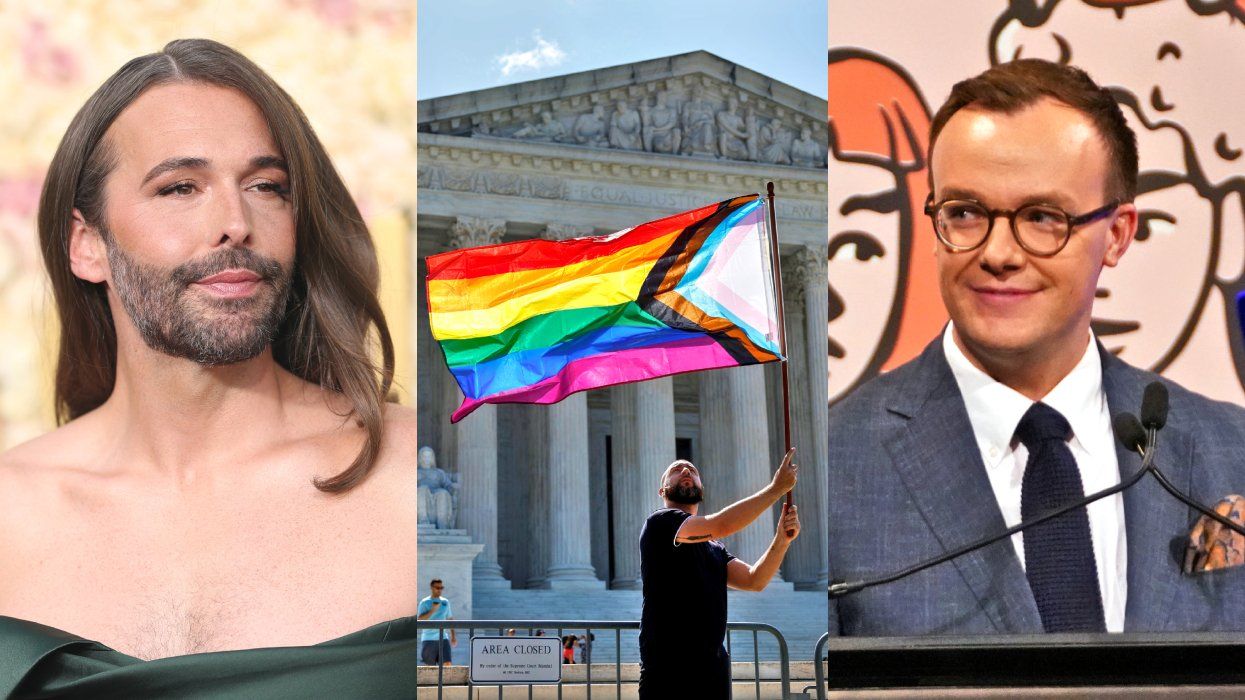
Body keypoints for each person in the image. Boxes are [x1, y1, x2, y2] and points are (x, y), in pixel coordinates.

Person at [0, 39, 419, 661]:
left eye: (267, 185)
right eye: (179, 188)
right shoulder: (12, 510)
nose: (235, 220)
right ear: (86, 245)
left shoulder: (411, 476)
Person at [827, 58, 1245, 636]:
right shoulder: (835, 463)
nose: (998, 252)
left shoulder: (1232, 449)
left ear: (1118, 234)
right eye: (965, 213)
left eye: (1042, 216)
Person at [638, 449, 800, 698]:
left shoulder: (713, 547)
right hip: (668, 669)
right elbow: (721, 525)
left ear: (702, 488)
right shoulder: (660, 523)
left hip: (712, 670)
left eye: (692, 470)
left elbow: (754, 580)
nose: (685, 471)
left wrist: (782, 539)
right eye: (675, 470)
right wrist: (775, 489)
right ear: (662, 491)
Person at [417, 580, 456, 666]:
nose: (439, 590)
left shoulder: (445, 602)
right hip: (428, 639)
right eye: (437, 588)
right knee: (430, 668)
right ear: (432, 588)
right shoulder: (424, 602)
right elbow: (419, 620)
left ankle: (445, 680)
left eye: (441, 588)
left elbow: (450, 619)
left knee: (448, 665)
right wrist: (433, 610)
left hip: (443, 638)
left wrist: (453, 636)